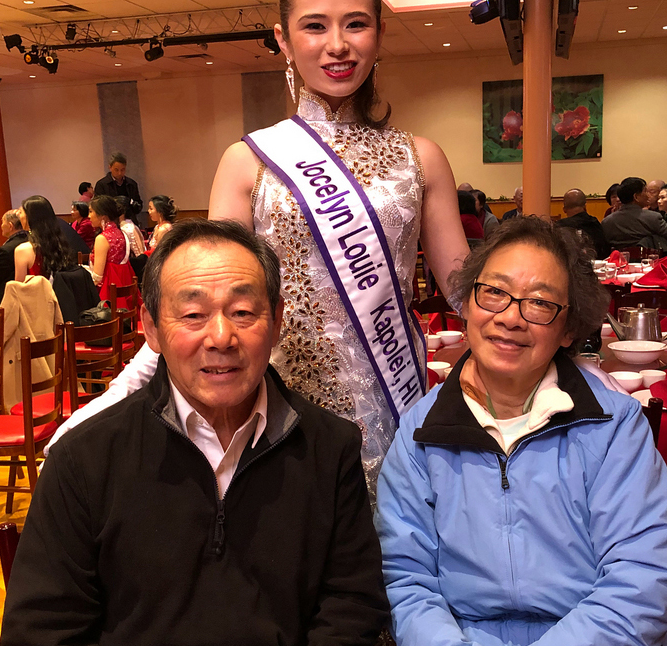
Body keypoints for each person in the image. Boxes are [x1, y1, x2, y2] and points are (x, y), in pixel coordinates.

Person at [0, 218, 389, 646]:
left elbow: (349, 606)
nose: (221, 337)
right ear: (151, 329)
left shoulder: (329, 447)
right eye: (192, 314)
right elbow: (43, 643)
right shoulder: (86, 457)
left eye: (243, 311)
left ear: (277, 321)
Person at [47, 0, 468, 499]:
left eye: (356, 24)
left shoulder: (421, 158)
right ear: (283, 39)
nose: (337, 45)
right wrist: (110, 401)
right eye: (315, 26)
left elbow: (465, 290)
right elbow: (206, 300)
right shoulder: (247, 161)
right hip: (281, 413)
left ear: (379, 33)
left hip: (395, 396)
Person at [375, 216, 667, 646]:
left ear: (568, 330)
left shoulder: (614, 427)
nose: (510, 317)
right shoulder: (420, 433)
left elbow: (640, 581)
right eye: (493, 293)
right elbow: (406, 580)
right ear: (466, 305)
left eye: (540, 303)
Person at [601, 176, 667, 253]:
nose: (648, 195)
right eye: (645, 191)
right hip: (647, 259)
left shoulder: (606, 222)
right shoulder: (653, 217)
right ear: (636, 197)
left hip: (619, 259)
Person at [87, 195, 138, 304]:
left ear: (103, 216)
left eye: (91, 212)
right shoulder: (121, 233)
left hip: (108, 295)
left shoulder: (102, 238)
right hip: (125, 290)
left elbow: (97, 278)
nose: (89, 216)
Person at [14, 195, 73, 281]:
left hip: (37, 290)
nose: (18, 216)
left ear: (29, 216)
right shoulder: (60, 242)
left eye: (20, 212)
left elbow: (20, 285)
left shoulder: (23, 250)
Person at [556, 188, 608, 259]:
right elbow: (605, 251)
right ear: (585, 206)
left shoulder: (559, 226)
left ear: (564, 209)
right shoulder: (594, 223)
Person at [93, 152, 143, 218]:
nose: (119, 173)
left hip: (129, 219)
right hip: (111, 219)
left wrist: (132, 203)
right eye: (116, 170)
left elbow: (139, 205)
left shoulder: (131, 184)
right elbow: (98, 207)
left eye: (122, 170)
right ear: (110, 167)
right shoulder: (102, 184)